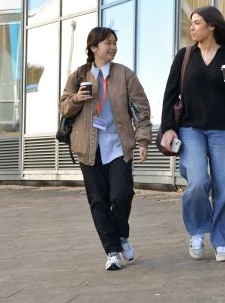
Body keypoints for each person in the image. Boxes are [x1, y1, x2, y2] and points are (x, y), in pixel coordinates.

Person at [159, 6, 225, 262]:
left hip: (224, 129)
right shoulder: (185, 55)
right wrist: (168, 127)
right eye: (191, 23)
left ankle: (223, 241)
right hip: (191, 129)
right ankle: (199, 230)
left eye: (197, 23)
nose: (192, 27)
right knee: (198, 181)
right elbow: (170, 93)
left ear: (211, 26)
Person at [59, 27, 152, 271]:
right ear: (93, 47)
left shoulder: (124, 74)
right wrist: (76, 99)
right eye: (107, 43)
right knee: (98, 200)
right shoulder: (78, 75)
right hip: (88, 147)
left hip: (118, 144)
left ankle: (121, 234)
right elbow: (63, 108)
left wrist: (142, 141)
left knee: (122, 195)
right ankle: (112, 251)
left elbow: (142, 110)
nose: (112, 47)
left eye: (114, 43)